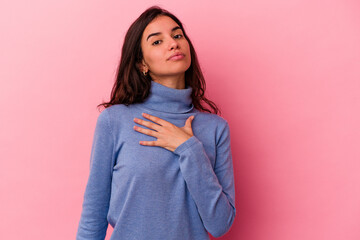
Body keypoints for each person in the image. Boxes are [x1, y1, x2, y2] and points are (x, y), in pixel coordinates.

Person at [76, 5, 236, 240]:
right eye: (157, 41)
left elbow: (220, 224)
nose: (173, 43)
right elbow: (94, 212)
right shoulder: (114, 121)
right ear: (142, 64)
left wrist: (189, 148)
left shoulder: (215, 129)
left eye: (177, 35)